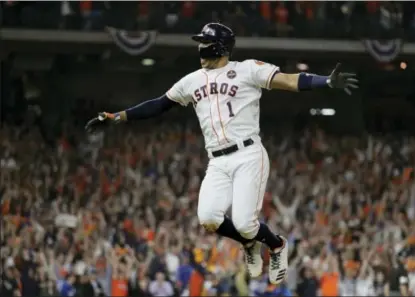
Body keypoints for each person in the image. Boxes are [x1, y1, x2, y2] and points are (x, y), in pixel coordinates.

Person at [85, 22, 358, 284]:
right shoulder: (191, 81)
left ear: (218, 46)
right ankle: (249, 244)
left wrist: (325, 82)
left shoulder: (247, 69)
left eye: (205, 42)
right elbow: (159, 104)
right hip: (217, 160)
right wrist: (118, 116)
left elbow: (286, 80)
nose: (200, 47)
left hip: (248, 154)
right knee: (208, 218)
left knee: (245, 223)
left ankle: (276, 245)